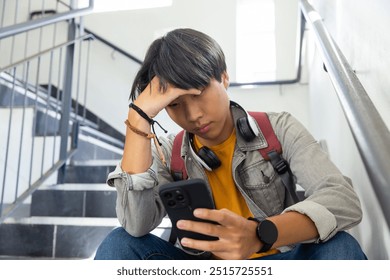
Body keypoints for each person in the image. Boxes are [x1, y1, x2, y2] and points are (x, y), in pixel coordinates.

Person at [94, 28, 366, 260]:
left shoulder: (277, 128)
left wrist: (261, 234)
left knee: (340, 247)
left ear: (224, 77)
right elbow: (136, 225)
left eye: (198, 94)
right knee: (119, 244)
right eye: (174, 105)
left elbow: (342, 200)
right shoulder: (167, 152)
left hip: (277, 261)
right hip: (202, 267)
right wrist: (138, 119)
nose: (192, 115)